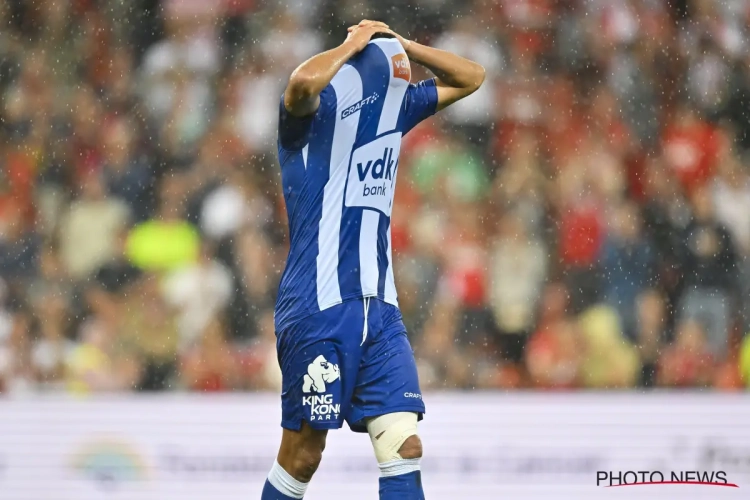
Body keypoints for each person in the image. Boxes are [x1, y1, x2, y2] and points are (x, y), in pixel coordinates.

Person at [262, 19, 485, 500]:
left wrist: (402, 43)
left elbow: (472, 77)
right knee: (303, 456)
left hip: (381, 309)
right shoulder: (306, 123)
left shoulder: (396, 111)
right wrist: (351, 44)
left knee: (405, 448)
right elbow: (301, 83)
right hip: (317, 308)